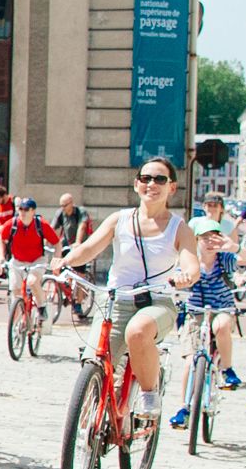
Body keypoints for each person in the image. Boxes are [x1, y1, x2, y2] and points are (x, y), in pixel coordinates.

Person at [58, 157, 201, 428]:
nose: (151, 184)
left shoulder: (179, 227)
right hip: (116, 300)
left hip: (156, 302)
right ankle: (99, 416)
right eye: (145, 178)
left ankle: (149, 394)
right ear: (136, 185)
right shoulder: (119, 219)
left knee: (137, 332)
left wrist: (185, 276)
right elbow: (89, 248)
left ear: (172, 187)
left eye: (160, 179)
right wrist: (65, 261)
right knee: (96, 360)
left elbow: (192, 264)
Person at [169, 210, 242, 427]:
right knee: (191, 360)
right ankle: (184, 407)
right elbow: (173, 275)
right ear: (196, 240)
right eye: (205, 238)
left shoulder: (225, 259)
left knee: (222, 325)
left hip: (221, 308)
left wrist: (234, 247)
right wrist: (177, 280)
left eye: (215, 237)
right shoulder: (190, 260)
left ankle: (227, 369)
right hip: (195, 311)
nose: (210, 242)